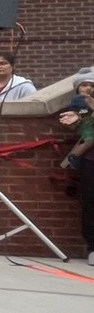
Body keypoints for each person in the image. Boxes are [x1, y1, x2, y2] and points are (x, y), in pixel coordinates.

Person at [58, 68, 94, 265]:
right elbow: (75, 124)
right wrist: (78, 120)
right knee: (90, 202)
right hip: (90, 160)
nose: (88, 88)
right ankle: (92, 247)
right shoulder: (79, 103)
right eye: (84, 84)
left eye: (91, 85)